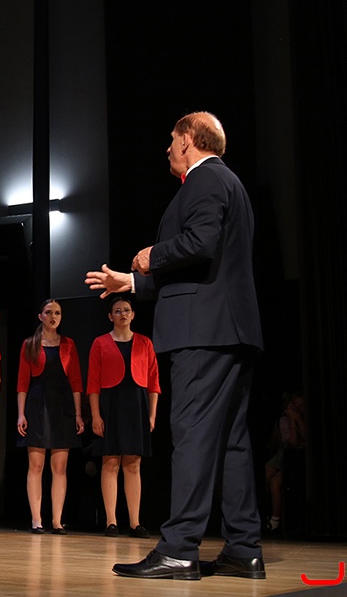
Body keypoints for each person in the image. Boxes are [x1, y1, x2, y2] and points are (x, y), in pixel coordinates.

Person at [86, 111, 265, 580]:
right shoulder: (230, 184)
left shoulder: (205, 180)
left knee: (192, 435)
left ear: (188, 140)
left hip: (203, 332)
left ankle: (180, 548)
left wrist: (152, 257)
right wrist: (130, 282)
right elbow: (207, 268)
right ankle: (243, 548)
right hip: (230, 330)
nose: (167, 148)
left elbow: (200, 243)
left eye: (172, 139)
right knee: (231, 442)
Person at [86, 296, 159, 538]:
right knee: (110, 462)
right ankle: (111, 521)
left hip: (136, 405)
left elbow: (153, 382)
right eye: (117, 311)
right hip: (110, 404)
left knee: (133, 463)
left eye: (126, 310)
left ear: (133, 314)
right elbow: (93, 383)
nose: (122, 314)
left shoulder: (145, 343)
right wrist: (96, 415)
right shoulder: (100, 343)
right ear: (110, 316)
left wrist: (152, 414)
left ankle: (135, 523)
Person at [16, 299, 83, 535]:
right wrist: (21, 414)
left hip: (62, 407)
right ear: (40, 316)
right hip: (37, 405)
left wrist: (78, 414)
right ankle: (37, 520)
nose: (53, 316)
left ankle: (56, 520)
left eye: (57, 313)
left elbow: (76, 381)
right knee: (36, 465)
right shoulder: (30, 344)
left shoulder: (69, 344)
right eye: (49, 312)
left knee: (59, 467)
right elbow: (22, 382)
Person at [264, 392, 306, 534]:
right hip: (283, 455)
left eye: (300, 406)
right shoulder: (283, 420)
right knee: (263, 475)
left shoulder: (305, 418)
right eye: (294, 405)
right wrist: (291, 420)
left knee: (275, 482)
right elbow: (290, 443)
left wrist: (297, 421)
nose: (296, 409)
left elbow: (298, 442)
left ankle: (275, 521)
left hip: (298, 459)